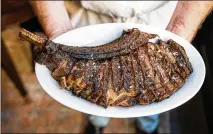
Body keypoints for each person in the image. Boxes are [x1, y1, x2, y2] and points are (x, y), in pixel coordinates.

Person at [29, 1, 212, 134]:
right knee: (90, 97)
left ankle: (148, 128)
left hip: (161, 25)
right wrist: (58, 31)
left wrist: (179, 32)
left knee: (152, 93)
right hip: (87, 25)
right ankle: (97, 124)